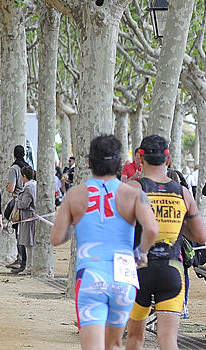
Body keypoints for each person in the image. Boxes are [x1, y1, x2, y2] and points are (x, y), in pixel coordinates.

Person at [50, 134, 158, 350]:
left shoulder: (74, 195)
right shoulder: (133, 194)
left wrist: (76, 226)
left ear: (89, 162)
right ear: (119, 163)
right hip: (123, 278)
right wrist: (142, 252)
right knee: (115, 345)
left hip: (90, 278)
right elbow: (152, 229)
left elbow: (56, 238)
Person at [124, 134, 206, 350]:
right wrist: (176, 223)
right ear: (168, 159)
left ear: (140, 159)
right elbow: (202, 237)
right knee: (168, 341)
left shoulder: (133, 189)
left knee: (134, 337)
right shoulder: (183, 193)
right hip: (172, 270)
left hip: (138, 271)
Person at [4, 145, 27, 270]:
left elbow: (11, 189)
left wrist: (7, 185)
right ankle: (24, 259)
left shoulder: (14, 168)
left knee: (18, 232)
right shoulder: (28, 166)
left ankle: (20, 259)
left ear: (14, 155)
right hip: (29, 203)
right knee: (25, 233)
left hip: (18, 201)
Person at [12, 166, 37, 274]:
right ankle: (29, 266)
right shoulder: (33, 186)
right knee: (29, 243)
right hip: (29, 216)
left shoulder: (28, 188)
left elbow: (24, 204)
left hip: (28, 217)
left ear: (24, 176)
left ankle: (29, 267)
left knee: (28, 243)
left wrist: (17, 200)